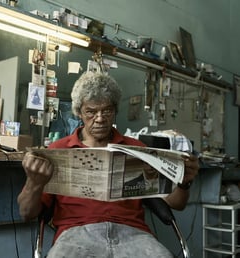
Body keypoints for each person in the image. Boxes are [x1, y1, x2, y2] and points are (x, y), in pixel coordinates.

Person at [18, 72, 199, 258]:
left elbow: (177, 203)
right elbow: (26, 213)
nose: (100, 118)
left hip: (133, 234)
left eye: (107, 111)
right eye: (91, 112)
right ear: (79, 112)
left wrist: (184, 182)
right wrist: (34, 182)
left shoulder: (137, 149)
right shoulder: (59, 149)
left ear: (115, 111)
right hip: (76, 234)